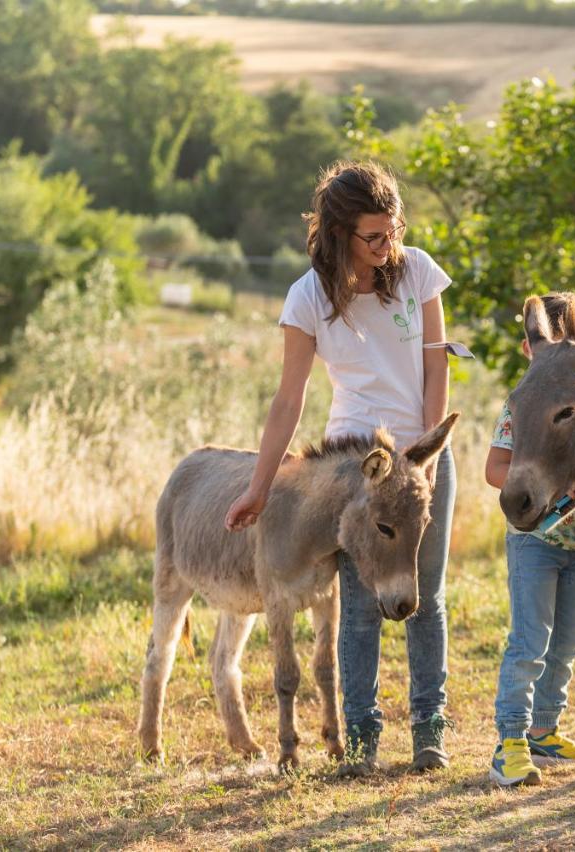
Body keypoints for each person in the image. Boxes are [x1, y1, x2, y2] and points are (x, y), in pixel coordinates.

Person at [224, 161, 456, 775]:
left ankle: (429, 732)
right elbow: (288, 400)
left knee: (424, 598)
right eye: (373, 237)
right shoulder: (307, 297)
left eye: (394, 231)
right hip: (354, 475)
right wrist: (258, 487)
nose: (389, 247)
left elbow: (438, 368)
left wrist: (425, 457)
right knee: (358, 610)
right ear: (337, 234)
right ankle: (361, 740)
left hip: (423, 458)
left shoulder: (419, 272)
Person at [485, 292, 575, 787]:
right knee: (529, 643)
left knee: (567, 645)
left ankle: (544, 731)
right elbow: (495, 470)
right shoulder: (523, 404)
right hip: (535, 543)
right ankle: (508, 743)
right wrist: (545, 482)